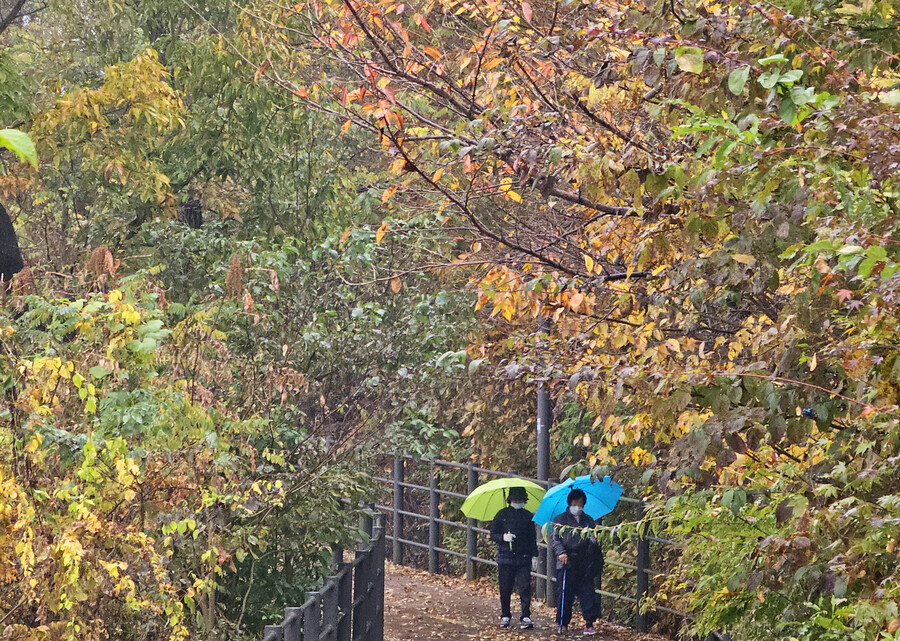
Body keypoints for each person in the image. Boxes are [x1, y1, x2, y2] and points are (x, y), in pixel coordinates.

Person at [549, 488, 602, 635]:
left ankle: (589, 622)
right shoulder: (560, 520)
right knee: (565, 593)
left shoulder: (588, 520)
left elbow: (594, 539)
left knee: (588, 593)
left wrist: (593, 541)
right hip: (567, 562)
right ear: (569, 503)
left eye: (580, 504)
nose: (577, 506)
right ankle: (563, 622)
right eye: (575, 503)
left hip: (584, 563)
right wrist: (561, 552)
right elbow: (555, 539)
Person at [490, 486, 538, 629]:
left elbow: (532, 538)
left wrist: (534, 555)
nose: (518, 502)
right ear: (510, 500)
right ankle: (505, 614)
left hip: (523, 557)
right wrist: (503, 538)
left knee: (524, 587)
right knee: (505, 588)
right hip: (505, 557)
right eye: (516, 499)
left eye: (521, 500)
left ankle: (526, 616)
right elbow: (493, 534)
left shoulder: (528, 516)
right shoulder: (501, 515)